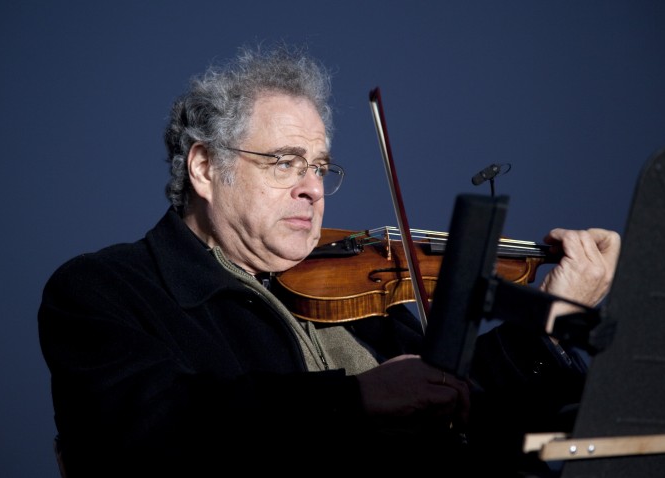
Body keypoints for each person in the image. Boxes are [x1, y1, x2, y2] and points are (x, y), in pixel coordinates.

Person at [38, 43, 621, 477]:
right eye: (285, 161)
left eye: (319, 166)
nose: (312, 187)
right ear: (205, 169)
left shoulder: (366, 299)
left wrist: (548, 321)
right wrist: (357, 399)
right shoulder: (105, 290)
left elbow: (473, 420)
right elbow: (149, 432)